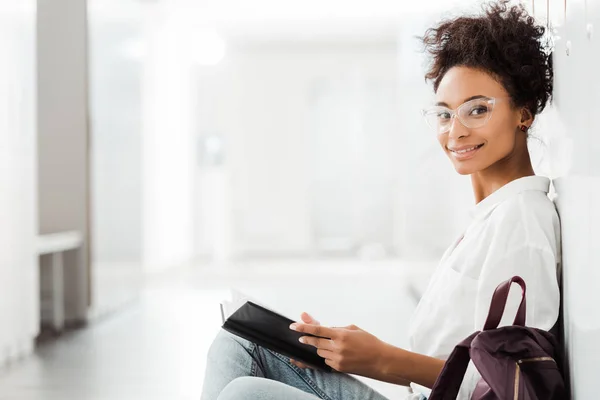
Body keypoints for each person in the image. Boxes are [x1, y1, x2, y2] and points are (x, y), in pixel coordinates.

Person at [200, 1, 560, 399]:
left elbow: (507, 385)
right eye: (444, 114)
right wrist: (348, 350)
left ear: (523, 112)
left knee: (245, 394)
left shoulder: (522, 221)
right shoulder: (491, 217)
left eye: (477, 109)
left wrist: (381, 359)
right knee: (240, 341)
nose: (455, 132)